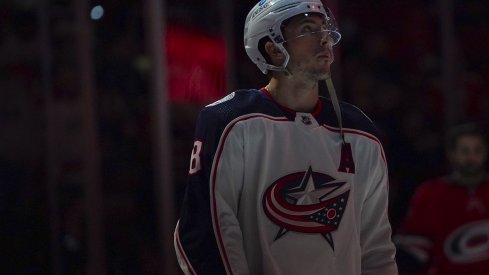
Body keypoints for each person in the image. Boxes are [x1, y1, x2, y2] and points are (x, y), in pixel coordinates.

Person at [174, 0, 398, 274]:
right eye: (308, 29)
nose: (325, 40)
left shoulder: (360, 131)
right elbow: (206, 230)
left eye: (324, 29)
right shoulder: (229, 120)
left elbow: (376, 246)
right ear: (273, 49)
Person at [395, 123, 489, 275]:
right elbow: (413, 249)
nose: (472, 157)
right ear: (452, 154)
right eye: (465, 151)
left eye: (477, 150)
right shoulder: (431, 193)